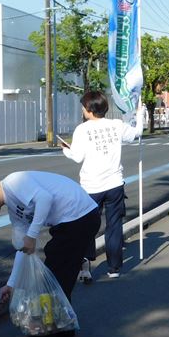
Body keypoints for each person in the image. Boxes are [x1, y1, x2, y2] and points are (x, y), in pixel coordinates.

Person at [0, 171, 100, 337]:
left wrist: (32, 234)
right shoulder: (14, 210)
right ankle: (64, 329)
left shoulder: (14, 182)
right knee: (58, 277)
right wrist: (11, 283)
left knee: (51, 277)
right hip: (73, 222)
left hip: (79, 217)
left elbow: (44, 198)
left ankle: (47, 334)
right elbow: (23, 249)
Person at [60, 91, 141, 280]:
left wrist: (66, 150)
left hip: (91, 187)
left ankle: (86, 267)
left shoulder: (82, 130)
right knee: (114, 225)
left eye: (83, 107)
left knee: (87, 226)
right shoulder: (116, 125)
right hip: (114, 184)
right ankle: (114, 268)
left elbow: (78, 156)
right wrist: (138, 114)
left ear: (89, 109)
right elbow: (135, 133)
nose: (82, 110)